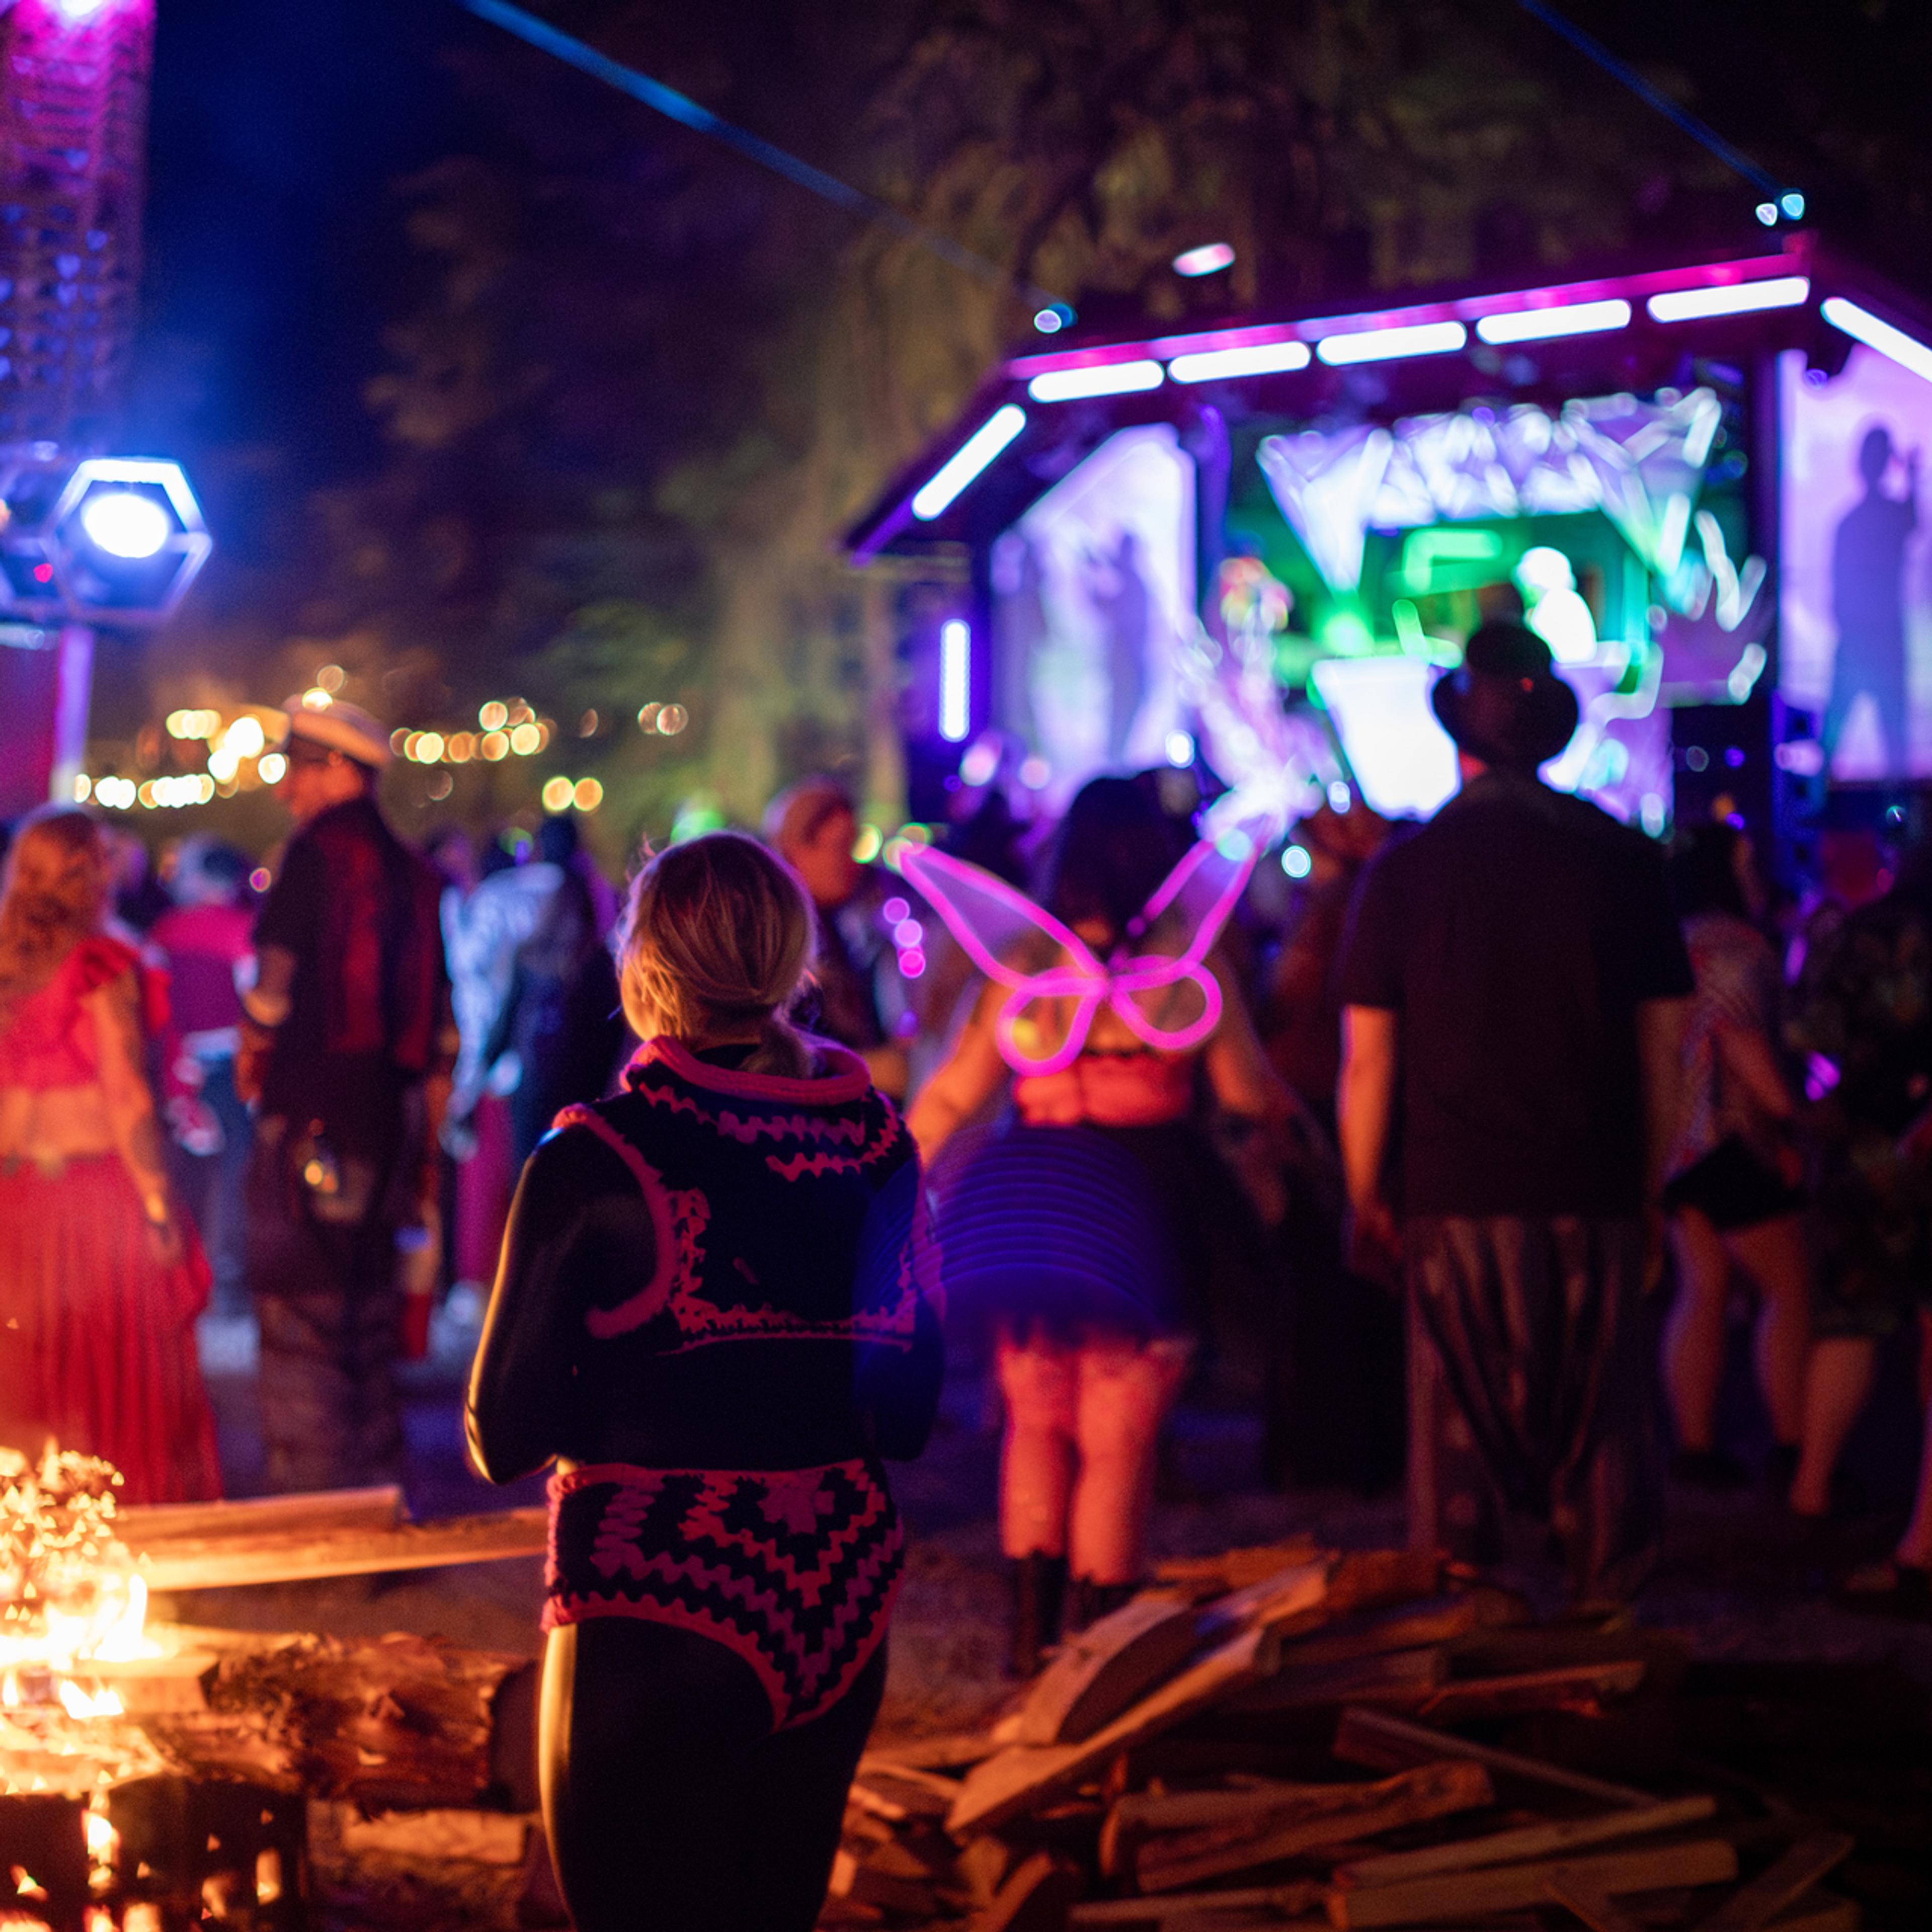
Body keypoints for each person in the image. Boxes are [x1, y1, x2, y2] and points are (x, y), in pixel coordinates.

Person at [467, 832, 941, 1932]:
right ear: (792, 962)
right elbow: (911, 1414)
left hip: (659, 1593)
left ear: (646, 965)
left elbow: (503, 1433)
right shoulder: (879, 1147)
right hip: (838, 1585)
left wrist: (642, 1391)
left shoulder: (597, 1157)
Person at [1334, 622, 1693, 1607]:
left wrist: (1365, 1189)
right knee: (1604, 1426)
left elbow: (1369, 1058)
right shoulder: (1622, 861)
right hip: (1594, 1182)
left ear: (1461, 736)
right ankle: (1606, 1642)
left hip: (1453, 1189)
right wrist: (1650, 1184)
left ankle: (1466, 1635)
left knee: (1461, 1444)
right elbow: (1664, 1049)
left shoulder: (1406, 870)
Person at [907, 776, 1286, 1670]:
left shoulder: (1024, 975)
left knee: (1036, 1420)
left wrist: (882, 1180)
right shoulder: (1189, 974)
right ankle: (1101, 1642)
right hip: (1151, 1211)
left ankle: (1030, 1638)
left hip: (1032, 1205)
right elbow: (1245, 1096)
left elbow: (957, 1093)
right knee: (1121, 1437)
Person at [237, 698, 455, 1492]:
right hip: (388, 1127)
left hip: (312, 1123)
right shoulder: (420, 875)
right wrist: (426, 1149)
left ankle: (317, 1512)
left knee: (304, 1310)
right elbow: (441, 1036)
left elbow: (274, 986)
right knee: (368, 1314)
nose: (287, 791)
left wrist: (253, 1043)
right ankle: (374, 1497)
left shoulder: (314, 857)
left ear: (338, 770)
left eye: (296, 771)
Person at [0, 810, 220, 1501]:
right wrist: (158, 1205)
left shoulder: (6, 968)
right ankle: (124, 1531)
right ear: (89, 871)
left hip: (18, 1200)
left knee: (33, 1377)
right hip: (95, 1200)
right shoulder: (101, 965)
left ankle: (37, 1536)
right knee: (116, 1371)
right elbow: (126, 1097)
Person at [1784, 847, 1932, 1593]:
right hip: (1917, 1142)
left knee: (1848, 1318)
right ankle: (1922, 1537)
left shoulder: (1860, 931)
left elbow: (1810, 1040)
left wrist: (1824, 1117)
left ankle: (1810, 1489)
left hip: (1863, 1151)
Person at [1658, 824, 1809, 1490]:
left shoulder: (1667, 942)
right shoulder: (1739, 947)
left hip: (1674, 1146)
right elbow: (1739, 1036)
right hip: (1730, 1139)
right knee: (1791, 1287)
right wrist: (1790, 1119)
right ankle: (1792, 1443)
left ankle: (1695, 1446)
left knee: (1702, 1289)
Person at [151, 838, 256, 1318]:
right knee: (233, 1176)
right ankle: (223, 1277)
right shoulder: (245, 931)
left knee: (184, 1175)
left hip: (175, 1069)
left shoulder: (165, 933)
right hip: (230, 1070)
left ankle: (180, 1274)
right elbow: (257, 1002)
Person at [765, 775, 907, 1097]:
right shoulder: (779, 946)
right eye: (843, 848)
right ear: (797, 852)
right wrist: (872, 1066)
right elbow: (782, 1060)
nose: (855, 865)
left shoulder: (833, 927)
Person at [496, 815, 624, 1170]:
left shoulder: (531, 956)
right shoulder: (600, 964)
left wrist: (478, 1081)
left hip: (532, 1085)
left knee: (529, 1178)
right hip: (583, 1092)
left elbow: (505, 1024)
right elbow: (614, 1035)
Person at [1824, 425, 1917, 778]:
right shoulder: (1853, 522)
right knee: (1836, 739)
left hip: (1874, 642)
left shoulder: (1859, 521)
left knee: (1893, 744)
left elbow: (1912, 523)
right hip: (1866, 643)